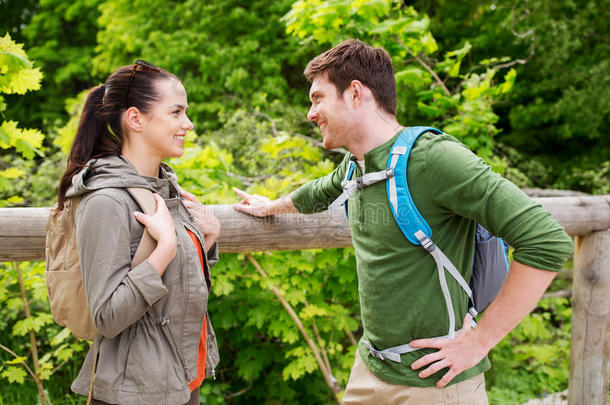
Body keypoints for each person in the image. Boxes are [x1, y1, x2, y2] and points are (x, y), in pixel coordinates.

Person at [233, 39, 573, 404]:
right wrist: (272, 206)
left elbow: (547, 240)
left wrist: (479, 341)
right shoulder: (356, 166)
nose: (310, 113)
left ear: (355, 94)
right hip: (370, 368)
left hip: (436, 383)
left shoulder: (433, 159)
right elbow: (319, 191)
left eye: (317, 98)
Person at [55, 60, 221, 405]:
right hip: (135, 391)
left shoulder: (162, 189)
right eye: (176, 113)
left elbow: (171, 290)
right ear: (135, 119)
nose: (187, 124)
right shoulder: (107, 201)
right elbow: (108, 316)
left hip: (180, 378)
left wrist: (206, 240)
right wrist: (164, 251)